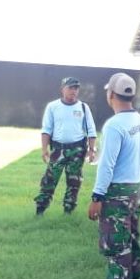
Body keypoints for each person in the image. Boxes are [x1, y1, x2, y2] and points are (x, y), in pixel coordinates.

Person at [88, 72, 140, 279]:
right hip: (136, 188)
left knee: (116, 243)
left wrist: (97, 196)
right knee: (132, 239)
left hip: (117, 192)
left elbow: (107, 165)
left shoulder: (114, 125)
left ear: (111, 94)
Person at [34, 77, 97, 216]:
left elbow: (91, 130)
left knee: (74, 182)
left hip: (77, 151)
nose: (73, 91)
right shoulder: (53, 106)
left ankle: (68, 210)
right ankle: (40, 209)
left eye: (76, 88)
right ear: (62, 89)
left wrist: (92, 150)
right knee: (49, 180)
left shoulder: (83, 107)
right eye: (70, 88)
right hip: (58, 150)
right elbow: (46, 129)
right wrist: (44, 149)